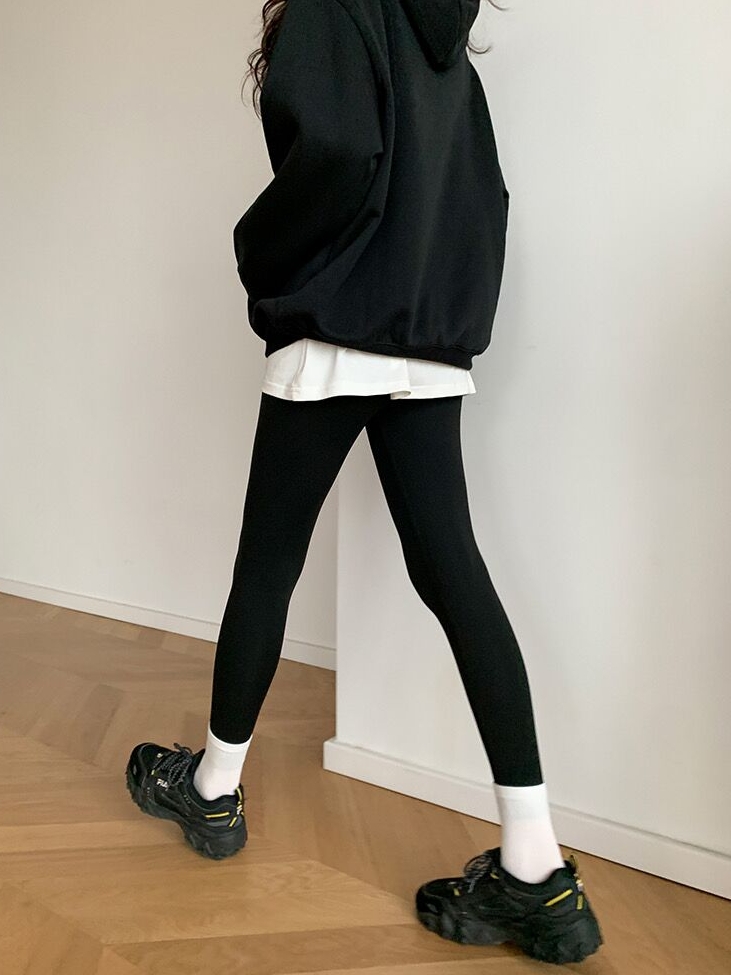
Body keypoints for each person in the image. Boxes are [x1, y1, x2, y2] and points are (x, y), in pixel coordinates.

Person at [125, 0, 603, 963]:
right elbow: (485, 195)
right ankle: (536, 866)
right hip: (425, 339)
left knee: (268, 564)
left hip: (337, 332)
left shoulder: (333, 7)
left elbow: (337, 152)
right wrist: (443, 316)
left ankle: (213, 790)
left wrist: (264, 260)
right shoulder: (443, 43)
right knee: (455, 574)